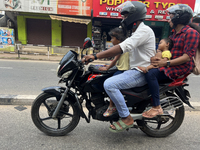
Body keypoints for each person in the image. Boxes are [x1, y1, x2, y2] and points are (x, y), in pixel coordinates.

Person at [82, 1, 156, 132]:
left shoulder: (144, 31)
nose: (123, 19)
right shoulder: (136, 32)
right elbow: (122, 50)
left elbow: (122, 48)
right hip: (134, 70)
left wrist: (95, 56)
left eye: (125, 16)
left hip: (141, 71)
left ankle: (126, 117)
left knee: (110, 84)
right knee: (105, 78)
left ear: (135, 16)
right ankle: (113, 106)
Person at [142, 4, 200, 118]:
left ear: (178, 17)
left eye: (171, 16)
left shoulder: (191, 33)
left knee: (151, 74)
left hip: (182, 66)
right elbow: (165, 49)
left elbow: (187, 56)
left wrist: (166, 63)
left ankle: (156, 107)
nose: (169, 19)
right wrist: (158, 57)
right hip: (171, 63)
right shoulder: (174, 34)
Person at [98, 27, 129, 117]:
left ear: (118, 39)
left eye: (112, 38)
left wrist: (107, 68)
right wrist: (108, 66)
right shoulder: (123, 45)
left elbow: (115, 59)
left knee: (111, 83)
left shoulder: (121, 47)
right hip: (121, 69)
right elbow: (116, 60)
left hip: (124, 70)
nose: (111, 40)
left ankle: (111, 106)